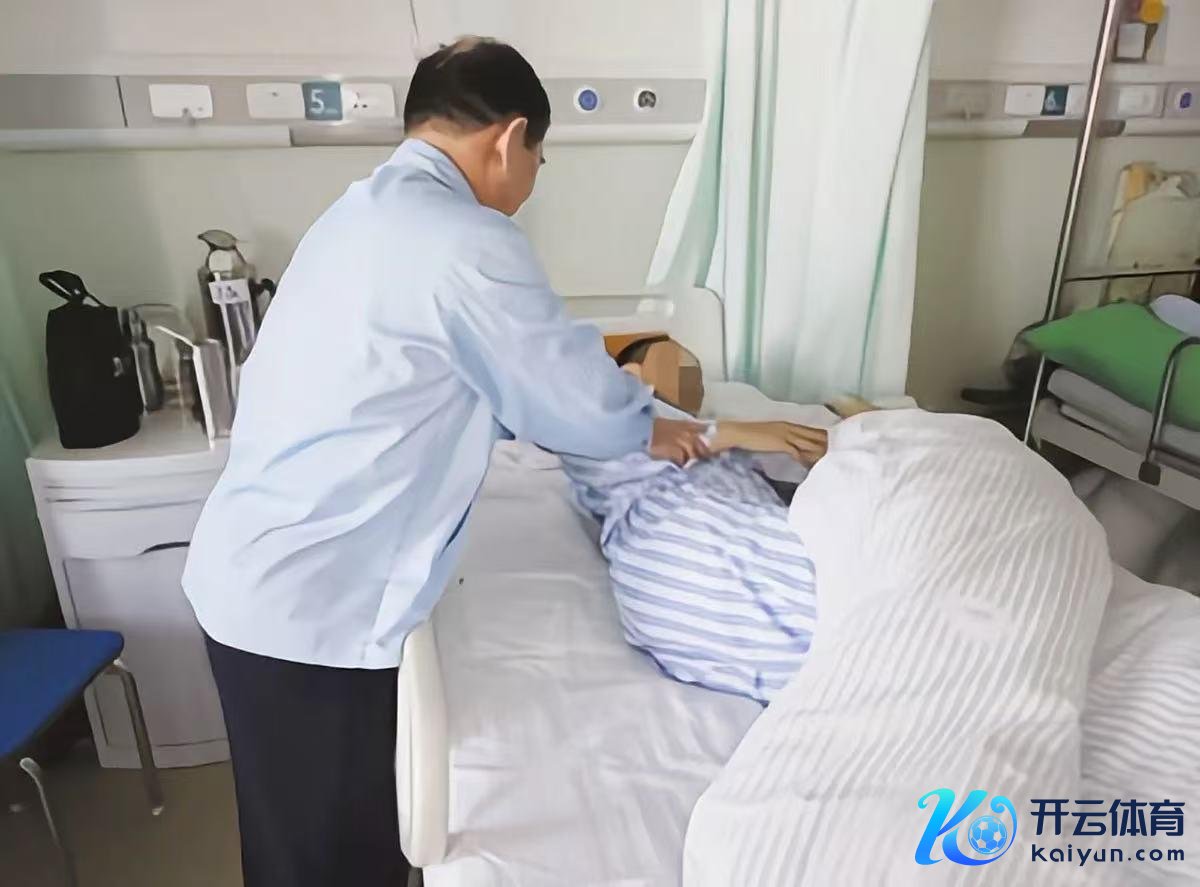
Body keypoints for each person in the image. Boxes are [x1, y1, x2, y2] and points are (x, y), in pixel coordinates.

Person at [181, 38, 708, 887]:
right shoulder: (467, 241)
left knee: (291, 840)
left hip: (257, 573)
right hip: (309, 606)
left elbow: (452, 379)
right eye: (540, 159)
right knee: (327, 856)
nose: (532, 180)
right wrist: (663, 429)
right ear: (511, 138)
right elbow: (568, 399)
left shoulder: (357, 213)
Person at [558, 337, 829, 704]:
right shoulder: (606, 409)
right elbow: (591, 427)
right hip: (672, 539)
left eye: (697, 375)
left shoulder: (730, 453)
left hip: (714, 558)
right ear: (631, 373)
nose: (692, 379)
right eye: (678, 362)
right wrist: (729, 432)